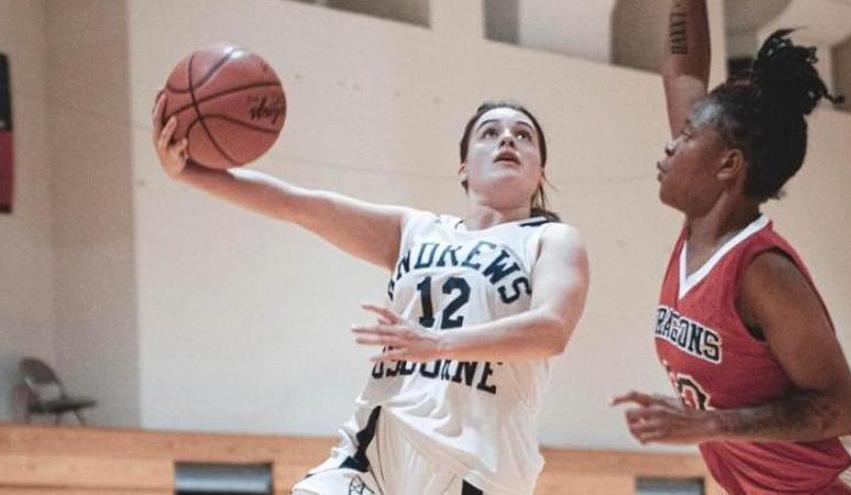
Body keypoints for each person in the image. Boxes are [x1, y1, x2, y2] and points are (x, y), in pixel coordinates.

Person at [152, 97, 589, 495]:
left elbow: (552, 330)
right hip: (376, 448)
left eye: (523, 135)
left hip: (475, 464)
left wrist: (437, 344)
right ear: (463, 168)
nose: (507, 138)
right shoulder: (414, 230)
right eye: (489, 133)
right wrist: (190, 171)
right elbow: (299, 205)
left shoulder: (551, 239)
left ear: (540, 174)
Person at [612, 1, 851, 493]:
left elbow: (839, 408)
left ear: (728, 165)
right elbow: (682, 68)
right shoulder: (705, 212)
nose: (672, 144)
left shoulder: (761, 270)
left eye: (688, 136)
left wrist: (709, 424)